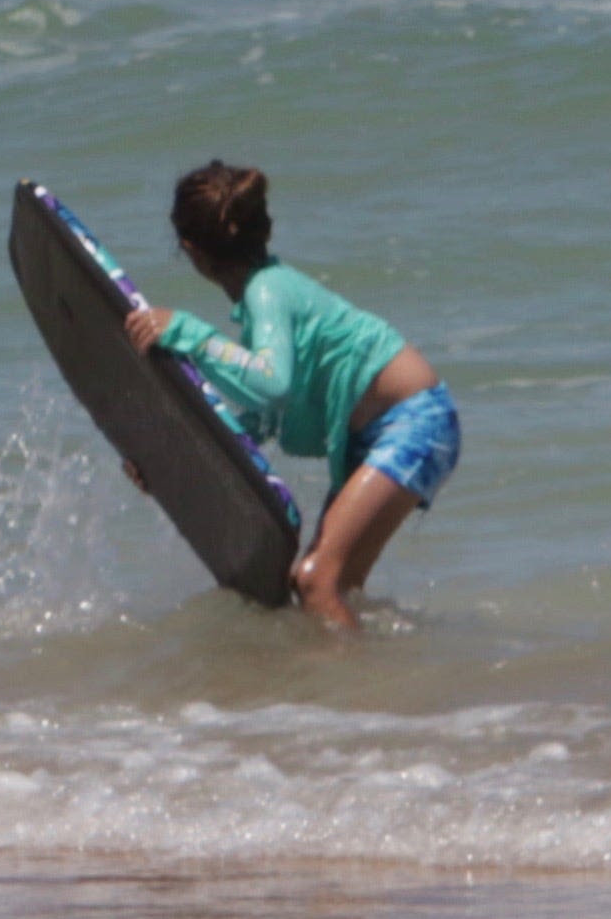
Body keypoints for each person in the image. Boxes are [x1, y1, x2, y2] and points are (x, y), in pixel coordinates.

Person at [122, 159, 457, 628]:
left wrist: (189, 334)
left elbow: (272, 384)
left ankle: (355, 691)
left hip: (414, 421)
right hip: (380, 431)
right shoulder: (267, 295)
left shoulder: (268, 292)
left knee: (315, 580)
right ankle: (372, 679)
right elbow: (257, 420)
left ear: (190, 250)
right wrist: (168, 457)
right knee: (332, 589)